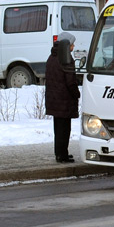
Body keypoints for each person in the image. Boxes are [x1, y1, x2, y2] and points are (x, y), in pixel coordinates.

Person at [45, 32, 80, 163]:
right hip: (64, 100)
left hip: (54, 99)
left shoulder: (51, 57)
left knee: (58, 129)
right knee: (64, 130)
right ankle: (63, 155)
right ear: (67, 44)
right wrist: (77, 94)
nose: (73, 46)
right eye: (72, 44)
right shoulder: (66, 59)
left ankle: (59, 153)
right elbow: (70, 81)